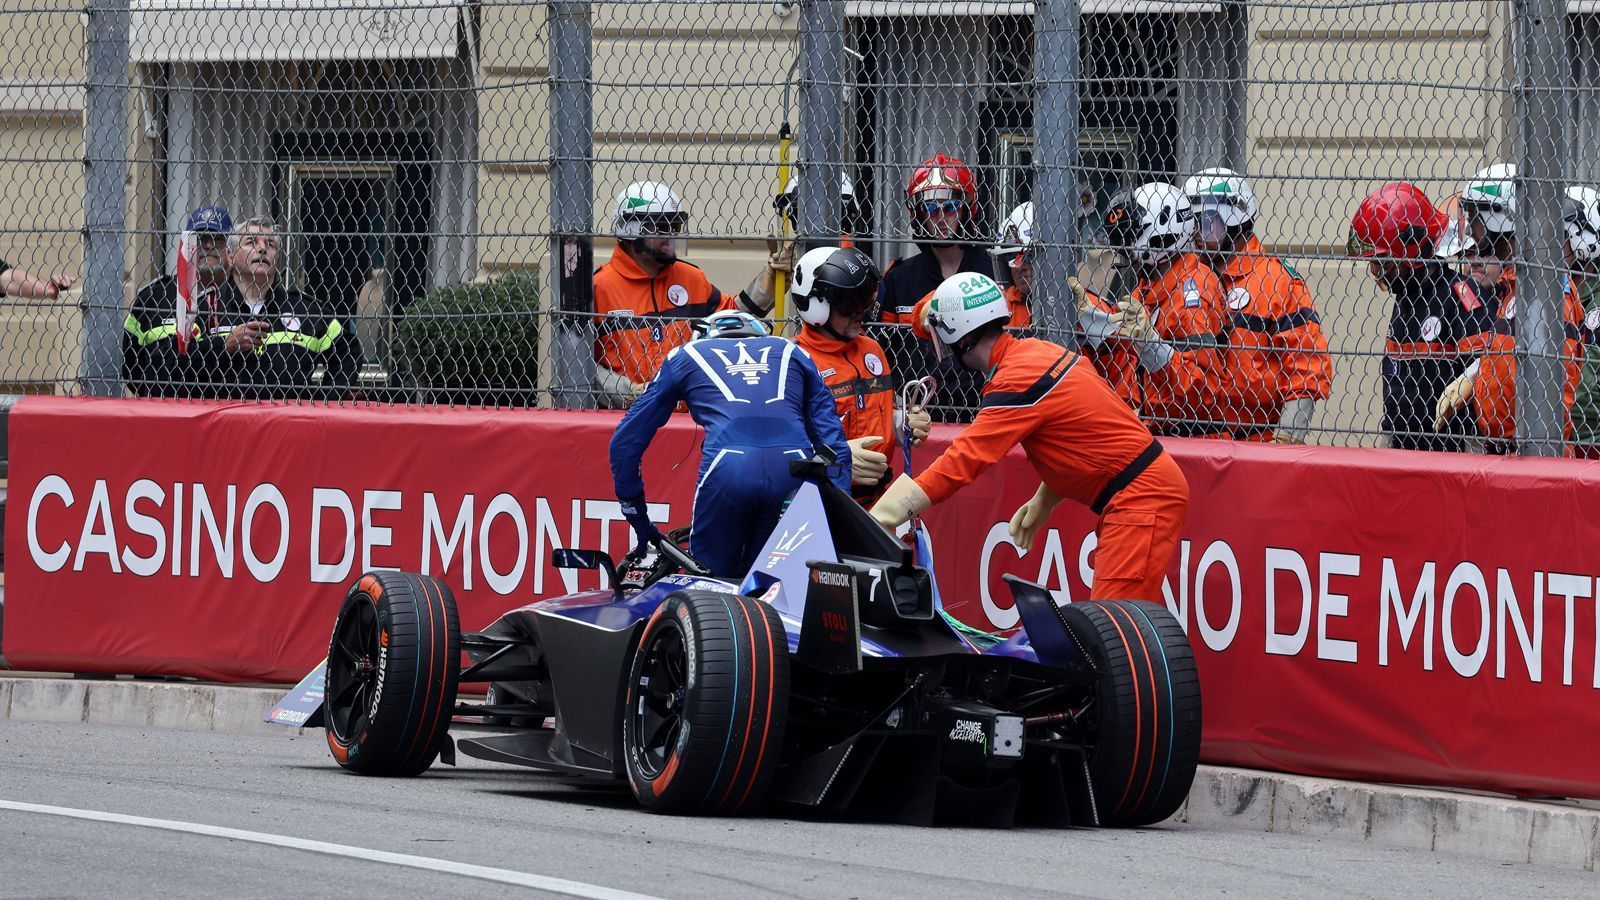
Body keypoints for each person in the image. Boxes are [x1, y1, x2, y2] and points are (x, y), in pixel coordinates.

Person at [870, 273, 1189, 604]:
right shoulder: (1034, 354)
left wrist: (882, 516)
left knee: (1114, 631)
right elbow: (1079, 439)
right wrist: (1043, 502)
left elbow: (962, 461)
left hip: (1140, 498)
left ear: (958, 337)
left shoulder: (1015, 380)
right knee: (1114, 626)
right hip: (1140, 491)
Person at [610, 310, 852, 578]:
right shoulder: (792, 350)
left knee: (711, 587)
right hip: (794, 465)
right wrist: (838, 518)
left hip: (727, 464)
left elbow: (624, 442)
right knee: (780, 586)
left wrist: (637, 517)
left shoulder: (685, 355)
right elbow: (833, 444)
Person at [592, 180, 791, 408]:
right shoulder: (600, 287)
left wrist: (770, 278)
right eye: (661, 227)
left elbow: (733, 319)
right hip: (624, 419)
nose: (671, 237)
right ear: (629, 230)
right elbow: (581, 364)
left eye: (675, 226)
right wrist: (629, 393)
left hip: (689, 419)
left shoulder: (691, 279)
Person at [1433, 170, 1587, 453]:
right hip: (1505, 452)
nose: (1473, 233)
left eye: (1476, 221)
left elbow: (1557, 384)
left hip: (1531, 454)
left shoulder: (1548, 289)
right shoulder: (1514, 285)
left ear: (1499, 218)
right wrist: (1473, 376)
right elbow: (1510, 356)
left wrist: (1531, 448)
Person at [1183, 168, 1332, 443]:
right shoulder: (1186, 278)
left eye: (1205, 222)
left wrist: (1287, 438)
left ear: (1235, 221)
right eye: (1192, 223)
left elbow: (1306, 366)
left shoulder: (1277, 281)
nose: (1196, 234)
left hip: (1258, 441)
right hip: (1195, 439)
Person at [1347, 183, 1494, 451]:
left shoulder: (1460, 297)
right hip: (1404, 453)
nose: (1375, 272)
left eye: (1383, 262)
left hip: (1451, 457)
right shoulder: (1406, 300)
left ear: (1411, 250)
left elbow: (1485, 379)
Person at [790, 246, 931, 505]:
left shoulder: (872, 350)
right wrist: (835, 458)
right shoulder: (794, 362)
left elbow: (875, 411)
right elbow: (782, 446)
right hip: (822, 500)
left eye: (865, 301)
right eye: (849, 305)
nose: (860, 314)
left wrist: (900, 424)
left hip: (877, 499)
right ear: (816, 306)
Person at [1101, 182, 1232, 437]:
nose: (1125, 246)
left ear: (1161, 228)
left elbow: (1203, 393)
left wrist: (1152, 346)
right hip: (1157, 429)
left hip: (1193, 438)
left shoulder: (1191, 295)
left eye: (1131, 235)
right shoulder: (1151, 287)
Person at [872, 154, 993, 417]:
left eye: (950, 208)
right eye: (930, 209)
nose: (940, 218)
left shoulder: (992, 271)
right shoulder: (899, 278)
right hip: (915, 413)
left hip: (982, 411)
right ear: (918, 215)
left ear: (966, 210)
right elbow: (880, 354)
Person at [988, 200, 1142, 405]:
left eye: (1029, 256)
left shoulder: (1088, 306)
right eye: (1011, 258)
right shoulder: (999, 305)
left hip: (1082, 413)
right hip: (1013, 406)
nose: (1020, 268)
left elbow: (1121, 367)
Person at [197, 216, 361, 399]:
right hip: (224, 422)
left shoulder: (305, 310)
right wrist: (223, 346)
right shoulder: (205, 307)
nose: (262, 249)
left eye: (270, 244)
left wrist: (322, 401)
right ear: (230, 256)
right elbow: (176, 363)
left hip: (288, 424)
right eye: (251, 242)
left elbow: (349, 353)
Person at [122, 205, 232, 397]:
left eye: (217, 239)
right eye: (200, 238)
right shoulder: (154, 298)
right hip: (166, 409)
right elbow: (130, 366)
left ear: (231, 249)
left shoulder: (241, 300)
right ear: (186, 244)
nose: (207, 245)